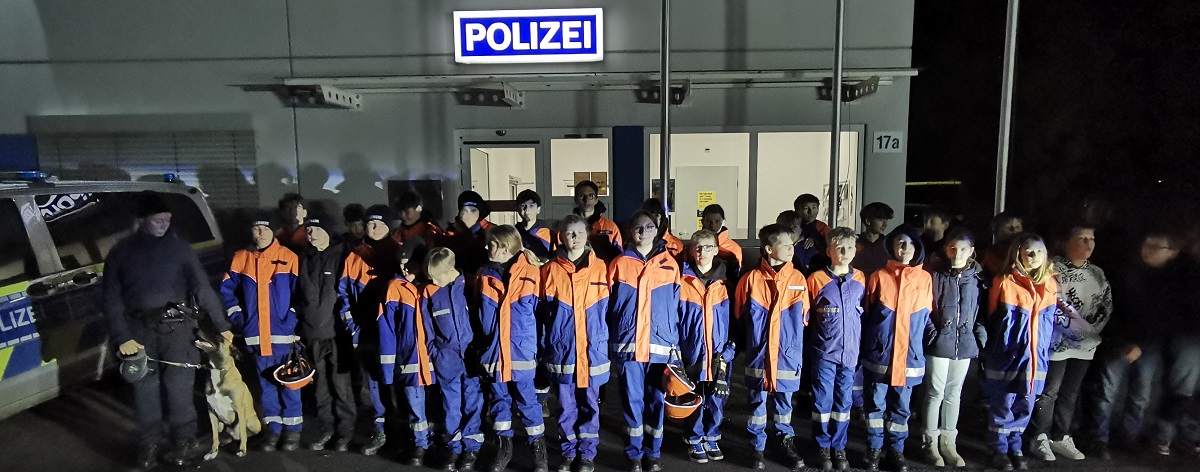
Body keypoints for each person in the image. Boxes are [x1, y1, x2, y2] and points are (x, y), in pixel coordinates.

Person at [102, 192, 235, 468]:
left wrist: (222, 325)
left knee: (178, 389)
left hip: (178, 331)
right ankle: (149, 444)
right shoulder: (121, 252)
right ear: (142, 220)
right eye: (158, 219)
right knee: (145, 390)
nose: (164, 224)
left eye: (167, 219)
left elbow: (202, 288)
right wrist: (122, 336)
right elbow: (110, 299)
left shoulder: (180, 250)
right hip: (138, 333)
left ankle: (183, 441)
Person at [1084, 231, 1187, 459]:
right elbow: (1110, 310)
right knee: (1107, 392)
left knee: (1140, 395)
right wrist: (1122, 341)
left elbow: (1165, 317)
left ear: (1170, 253)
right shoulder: (1124, 273)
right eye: (1146, 244)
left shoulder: (1170, 281)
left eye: (1156, 247)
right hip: (1119, 342)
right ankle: (1098, 438)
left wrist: (1140, 343)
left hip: (1148, 345)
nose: (1147, 250)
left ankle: (1127, 438)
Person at [1025, 224, 1111, 462]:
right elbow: (1057, 304)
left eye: (1091, 238)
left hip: (1085, 346)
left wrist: (1091, 332)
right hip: (1056, 343)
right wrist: (1077, 330)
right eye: (1082, 238)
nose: (1088, 243)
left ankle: (1061, 435)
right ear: (1067, 241)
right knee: (1049, 391)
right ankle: (1039, 435)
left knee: (1070, 393)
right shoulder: (1053, 269)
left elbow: (1105, 305)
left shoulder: (1098, 273)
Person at [220, 213, 303, 451]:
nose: (261, 233)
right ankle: (274, 431)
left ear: (274, 231)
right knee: (266, 387)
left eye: (265, 229)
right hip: (256, 337)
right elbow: (227, 291)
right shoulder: (240, 258)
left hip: (283, 337)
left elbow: (300, 294)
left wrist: (291, 320)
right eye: (256, 229)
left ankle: (293, 431)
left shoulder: (289, 257)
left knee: (290, 384)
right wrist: (238, 318)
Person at [608, 210, 682, 472]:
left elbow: (678, 310)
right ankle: (634, 454)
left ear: (656, 229)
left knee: (656, 401)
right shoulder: (618, 264)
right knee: (631, 401)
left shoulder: (671, 264)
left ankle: (653, 453)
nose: (643, 232)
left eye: (648, 227)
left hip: (661, 347)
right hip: (628, 346)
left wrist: (677, 348)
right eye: (638, 228)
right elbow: (609, 307)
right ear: (630, 232)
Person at [540, 214, 612, 472]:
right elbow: (543, 313)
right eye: (569, 233)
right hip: (563, 350)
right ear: (561, 236)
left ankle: (587, 454)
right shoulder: (549, 270)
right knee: (566, 405)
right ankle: (569, 451)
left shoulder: (601, 268)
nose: (574, 237)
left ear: (587, 235)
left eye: (578, 232)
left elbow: (608, 310)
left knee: (590, 404)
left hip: (592, 349)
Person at [981, 233, 1058, 471]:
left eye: (1039, 251)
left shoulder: (1051, 285)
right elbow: (992, 319)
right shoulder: (1003, 282)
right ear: (1018, 254)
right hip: (1007, 358)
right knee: (1003, 406)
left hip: (1036, 360)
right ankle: (999, 450)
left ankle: (1016, 448)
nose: (1034, 256)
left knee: (1025, 406)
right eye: (1028, 251)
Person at [735, 223, 808, 470]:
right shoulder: (750, 280)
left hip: (787, 355)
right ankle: (756, 447)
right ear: (768, 249)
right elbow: (739, 318)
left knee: (784, 404)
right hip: (759, 355)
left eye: (792, 245)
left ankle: (784, 442)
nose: (791, 249)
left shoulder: (798, 279)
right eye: (786, 245)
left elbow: (805, 319)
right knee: (756, 404)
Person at [477, 225, 549, 472]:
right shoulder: (484, 275)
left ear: (506, 247)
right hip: (495, 353)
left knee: (529, 402)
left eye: (492, 244)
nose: (488, 247)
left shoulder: (532, 273)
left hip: (520, 352)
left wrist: (540, 351)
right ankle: (503, 448)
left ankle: (538, 453)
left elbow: (542, 316)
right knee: (499, 402)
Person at [861, 225, 933, 472]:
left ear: (918, 248)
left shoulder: (925, 279)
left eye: (910, 243)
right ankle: (873, 450)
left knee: (901, 409)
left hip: (909, 358)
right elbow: (868, 316)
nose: (904, 248)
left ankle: (896, 451)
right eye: (900, 243)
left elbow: (926, 317)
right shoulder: (878, 276)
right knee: (874, 407)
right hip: (879, 356)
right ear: (891, 247)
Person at [918, 228, 986, 468]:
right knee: (935, 392)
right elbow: (925, 307)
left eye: (963, 249)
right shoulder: (935, 275)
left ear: (972, 252)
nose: (958, 253)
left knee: (954, 393)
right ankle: (930, 444)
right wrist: (933, 335)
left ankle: (949, 443)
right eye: (953, 248)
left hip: (964, 342)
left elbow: (982, 311)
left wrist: (978, 337)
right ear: (946, 249)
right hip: (939, 341)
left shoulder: (978, 278)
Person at [339, 204, 401, 455]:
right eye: (369, 224)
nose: (372, 229)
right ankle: (381, 430)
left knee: (400, 383)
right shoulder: (354, 256)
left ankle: (404, 432)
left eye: (378, 224)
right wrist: (351, 324)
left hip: (395, 333)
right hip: (366, 330)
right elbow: (342, 293)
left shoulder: (399, 253)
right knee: (374, 383)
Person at [806, 227, 867, 471]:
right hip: (824, 352)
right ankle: (821, 445)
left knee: (844, 402)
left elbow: (866, 312)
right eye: (839, 248)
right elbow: (807, 315)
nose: (844, 252)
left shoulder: (861, 279)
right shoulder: (817, 279)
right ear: (829, 250)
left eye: (849, 248)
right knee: (822, 400)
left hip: (850, 353)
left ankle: (838, 445)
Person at [295, 214, 355, 452]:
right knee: (319, 384)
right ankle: (326, 426)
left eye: (317, 230)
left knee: (341, 384)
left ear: (329, 232)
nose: (312, 235)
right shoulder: (303, 258)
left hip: (336, 333)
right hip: (311, 333)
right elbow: (297, 294)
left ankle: (346, 429)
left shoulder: (342, 256)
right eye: (309, 231)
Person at [422, 247, 484, 471]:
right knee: (450, 403)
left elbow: (481, 317)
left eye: (436, 276)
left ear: (449, 270)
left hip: (470, 354)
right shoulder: (430, 293)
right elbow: (427, 327)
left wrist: (479, 348)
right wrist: (435, 352)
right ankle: (453, 446)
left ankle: (471, 446)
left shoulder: (469, 286)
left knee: (473, 399)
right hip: (446, 357)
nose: (433, 281)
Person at [679, 230, 736, 464]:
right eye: (698, 247)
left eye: (708, 247)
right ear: (692, 250)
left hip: (719, 354)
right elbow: (674, 318)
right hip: (691, 352)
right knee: (694, 397)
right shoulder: (681, 280)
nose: (703, 252)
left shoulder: (726, 283)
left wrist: (730, 351)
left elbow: (737, 321)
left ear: (716, 249)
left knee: (715, 399)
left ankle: (711, 436)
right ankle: (694, 439)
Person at [378, 236, 435, 466]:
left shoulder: (433, 286)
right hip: (410, 359)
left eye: (409, 262)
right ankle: (420, 444)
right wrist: (387, 368)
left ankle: (436, 441)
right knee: (414, 404)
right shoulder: (394, 288)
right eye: (401, 263)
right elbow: (387, 330)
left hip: (434, 359)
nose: (404, 268)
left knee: (437, 404)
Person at [443, 190, 495, 277]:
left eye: (472, 210)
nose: (464, 214)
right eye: (463, 210)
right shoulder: (450, 233)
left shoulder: (492, 232)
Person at [573, 180, 622, 262]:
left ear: (596, 200)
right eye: (582, 196)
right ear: (576, 200)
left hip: (603, 272)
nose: (586, 200)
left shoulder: (610, 227)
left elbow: (620, 258)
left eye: (591, 195)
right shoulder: (568, 227)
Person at [700, 204, 744, 280]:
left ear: (723, 222)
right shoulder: (694, 245)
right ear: (702, 221)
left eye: (717, 221)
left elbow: (738, 276)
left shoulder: (734, 249)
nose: (712, 225)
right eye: (708, 221)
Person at [853, 202, 895, 276]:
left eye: (886, 220)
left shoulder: (889, 245)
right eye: (881, 220)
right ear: (868, 221)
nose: (885, 225)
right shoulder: (854, 243)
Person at [515, 189, 556, 261]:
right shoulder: (512, 233)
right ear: (518, 208)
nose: (527, 209)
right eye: (523, 205)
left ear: (538, 209)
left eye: (531, 206)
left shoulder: (549, 234)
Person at [981, 212, 1025, 277]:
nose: (1013, 230)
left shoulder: (1025, 253)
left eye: (1017, 227)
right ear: (996, 231)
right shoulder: (990, 256)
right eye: (1008, 227)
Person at [795, 193, 832, 268]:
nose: (810, 211)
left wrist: (816, 241)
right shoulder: (793, 226)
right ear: (797, 210)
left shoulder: (822, 227)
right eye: (806, 208)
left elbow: (831, 244)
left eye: (814, 207)